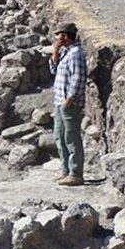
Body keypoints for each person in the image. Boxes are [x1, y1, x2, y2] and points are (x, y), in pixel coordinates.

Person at [49, 23, 87, 187]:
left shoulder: (76, 54)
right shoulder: (66, 53)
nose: (56, 39)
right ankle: (66, 171)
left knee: (71, 137)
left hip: (68, 103)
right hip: (60, 101)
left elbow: (78, 78)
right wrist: (55, 52)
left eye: (58, 35)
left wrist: (69, 100)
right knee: (60, 136)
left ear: (65, 36)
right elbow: (53, 70)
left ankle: (76, 173)